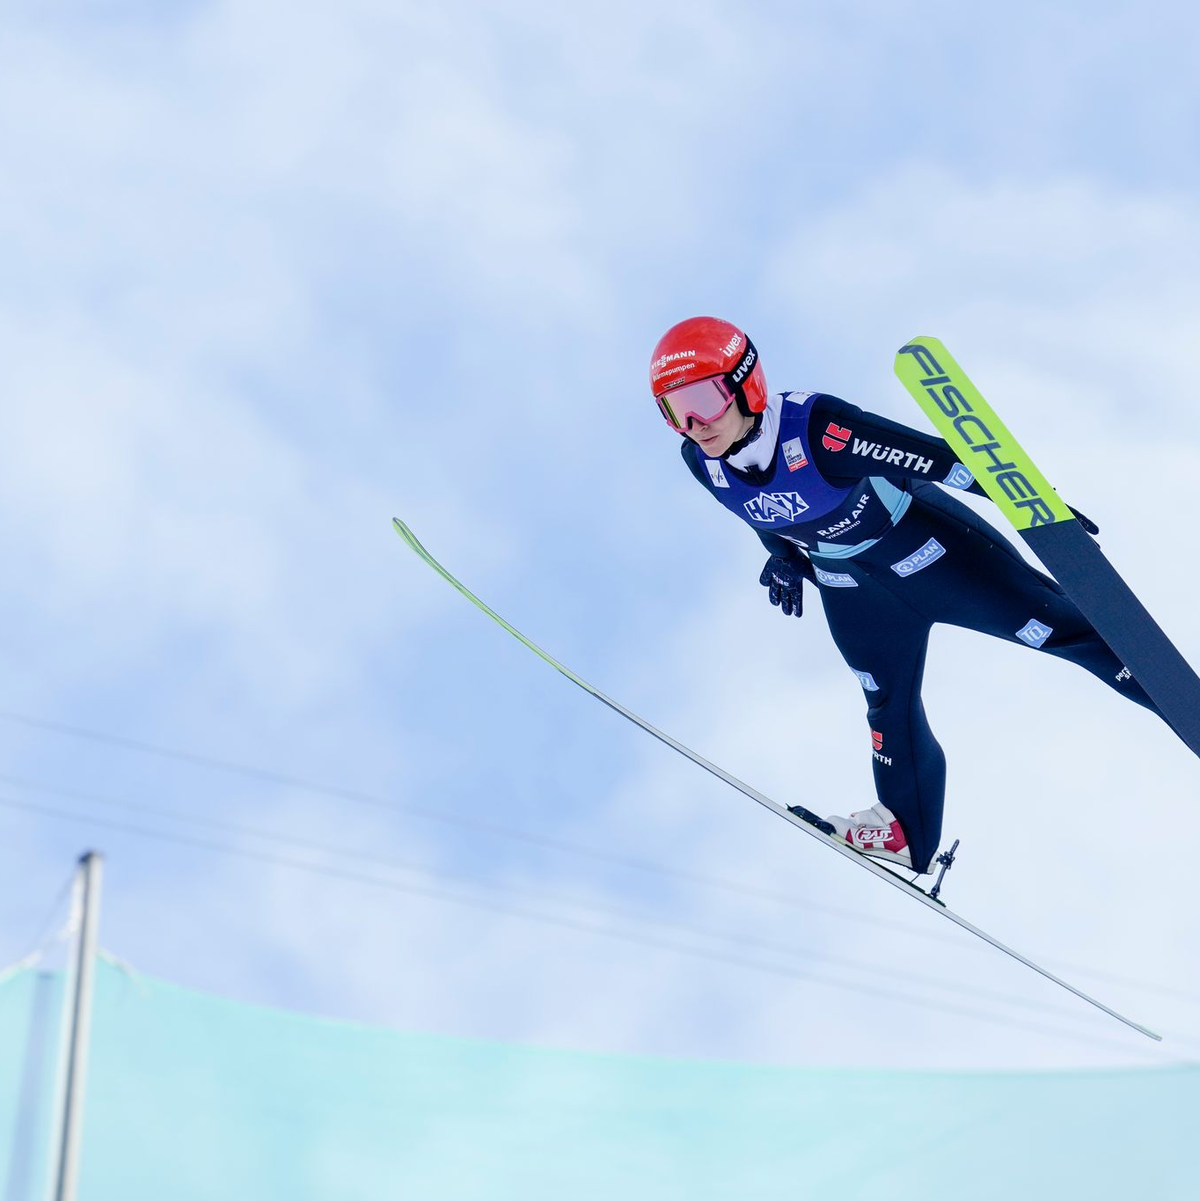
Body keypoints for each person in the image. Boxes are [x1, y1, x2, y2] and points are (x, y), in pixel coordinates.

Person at [649, 315, 1170, 873]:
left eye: (704, 398)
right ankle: (905, 832)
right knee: (886, 703)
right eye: (675, 409)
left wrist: (1040, 510)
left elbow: (940, 459)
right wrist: (780, 557)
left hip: (933, 553)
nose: (695, 423)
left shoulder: (818, 430)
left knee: (1063, 632)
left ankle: (1179, 698)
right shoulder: (701, 461)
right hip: (853, 588)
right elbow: (759, 512)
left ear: (745, 381)